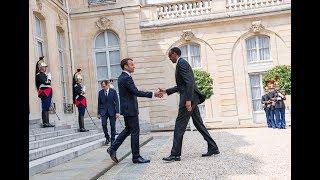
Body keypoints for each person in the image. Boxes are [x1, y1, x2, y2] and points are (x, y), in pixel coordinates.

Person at [159, 47, 219, 162]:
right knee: (198, 124)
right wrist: (166, 91)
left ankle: (175, 154)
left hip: (189, 98)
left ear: (175, 54)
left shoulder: (182, 63)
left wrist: (188, 100)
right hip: (192, 98)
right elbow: (181, 86)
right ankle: (213, 147)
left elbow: (189, 82)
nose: (169, 58)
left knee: (179, 125)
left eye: (170, 55)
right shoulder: (181, 63)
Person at [107, 58, 163, 164]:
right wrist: (153, 94)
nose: (134, 66)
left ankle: (112, 148)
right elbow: (136, 92)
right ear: (125, 66)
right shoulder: (126, 78)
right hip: (130, 109)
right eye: (131, 64)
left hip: (128, 109)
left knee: (128, 130)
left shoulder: (123, 77)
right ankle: (136, 157)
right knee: (135, 132)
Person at [97, 80, 120, 145]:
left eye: (104, 86)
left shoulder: (113, 91)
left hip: (112, 111)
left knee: (112, 126)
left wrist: (117, 112)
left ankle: (113, 140)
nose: (103, 87)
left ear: (107, 85)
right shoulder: (100, 92)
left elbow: (117, 102)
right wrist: (98, 113)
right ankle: (107, 137)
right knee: (103, 124)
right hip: (103, 111)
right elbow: (99, 103)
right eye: (102, 86)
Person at [35, 56, 55, 128]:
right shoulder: (39, 75)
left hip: (48, 91)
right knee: (45, 107)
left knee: (47, 107)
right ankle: (45, 122)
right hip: (44, 91)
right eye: (44, 67)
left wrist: (48, 77)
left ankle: (47, 122)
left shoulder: (44, 74)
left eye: (45, 67)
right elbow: (46, 83)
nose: (45, 68)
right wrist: (49, 78)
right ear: (40, 68)